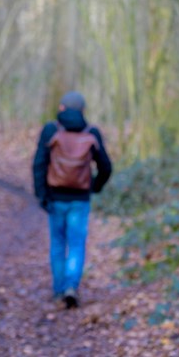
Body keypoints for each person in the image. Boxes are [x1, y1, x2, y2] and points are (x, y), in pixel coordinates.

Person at [32, 91, 112, 309]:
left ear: (61, 108)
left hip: (56, 198)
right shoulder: (92, 133)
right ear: (83, 111)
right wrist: (94, 186)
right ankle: (71, 287)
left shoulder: (51, 130)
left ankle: (59, 292)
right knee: (76, 244)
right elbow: (106, 167)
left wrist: (42, 195)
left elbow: (39, 164)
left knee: (58, 243)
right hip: (80, 199)